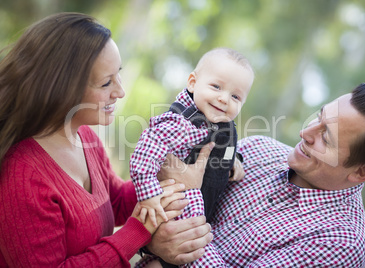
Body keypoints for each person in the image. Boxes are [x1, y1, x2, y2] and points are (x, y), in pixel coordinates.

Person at [0, 12, 212, 267]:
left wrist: (170, 178)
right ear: (60, 87)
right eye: (105, 83)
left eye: (118, 74)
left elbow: (117, 201)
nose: (120, 91)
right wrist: (138, 233)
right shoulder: (22, 178)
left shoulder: (84, 137)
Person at [139, 83, 365, 267]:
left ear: (360, 172)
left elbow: (183, 186)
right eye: (318, 117)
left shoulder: (341, 243)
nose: (306, 133)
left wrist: (188, 200)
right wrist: (152, 242)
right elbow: (152, 191)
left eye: (326, 137)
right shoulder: (258, 150)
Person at [129, 47, 254, 228]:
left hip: (204, 210)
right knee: (199, 249)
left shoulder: (220, 125)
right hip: (175, 211)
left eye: (235, 96)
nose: (224, 99)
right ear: (193, 83)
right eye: (216, 87)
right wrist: (148, 195)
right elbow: (145, 152)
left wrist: (231, 160)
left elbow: (220, 147)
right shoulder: (184, 123)